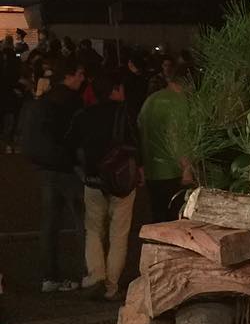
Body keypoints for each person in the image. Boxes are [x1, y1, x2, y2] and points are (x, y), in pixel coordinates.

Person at [68, 69, 141, 300]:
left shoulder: (83, 115)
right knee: (119, 233)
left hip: (93, 180)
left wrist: (80, 168)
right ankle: (111, 285)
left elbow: (69, 145)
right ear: (115, 90)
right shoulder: (125, 114)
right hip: (122, 182)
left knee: (93, 229)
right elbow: (138, 145)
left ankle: (96, 275)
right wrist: (140, 169)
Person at [22, 56, 86, 293]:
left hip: (47, 169)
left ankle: (49, 276)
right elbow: (78, 136)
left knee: (50, 224)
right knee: (83, 222)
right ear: (68, 75)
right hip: (69, 169)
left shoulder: (45, 100)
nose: (82, 78)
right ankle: (89, 272)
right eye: (79, 74)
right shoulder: (72, 101)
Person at [138, 62, 190, 223]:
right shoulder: (180, 103)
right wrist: (186, 167)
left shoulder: (151, 99)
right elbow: (176, 137)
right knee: (174, 220)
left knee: (157, 217)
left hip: (151, 170)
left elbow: (139, 128)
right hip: (171, 171)